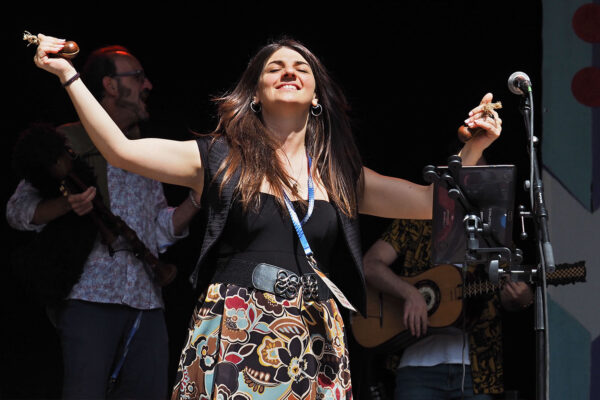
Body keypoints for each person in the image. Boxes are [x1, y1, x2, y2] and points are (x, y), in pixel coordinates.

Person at [30, 33, 502, 399]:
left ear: (316, 95)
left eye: (301, 67)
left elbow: (428, 202)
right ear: (255, 93)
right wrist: (67, 75)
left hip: (315, 334)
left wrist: (473, 146)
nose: (288, 71)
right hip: (238, 326)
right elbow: (121, 151)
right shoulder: (218, 158)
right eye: (274, 67)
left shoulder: (339, 174)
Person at [7, 45, 203, 399]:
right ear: (110, 86)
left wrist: (196, 199)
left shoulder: (145, 149)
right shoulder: (67, 142)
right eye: (138, 77)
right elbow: (18, 212)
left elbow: (157, 230)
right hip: (89, 297)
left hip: (147, 300)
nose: (149, 86)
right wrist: (67, 205)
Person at [362, 218, 534, 399]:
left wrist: (519, 297)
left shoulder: (492, 232)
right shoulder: (416, 221)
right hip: (417, 369)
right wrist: (410, 293)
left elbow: (516, 295)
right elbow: (370, 264)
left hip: (476, 373)